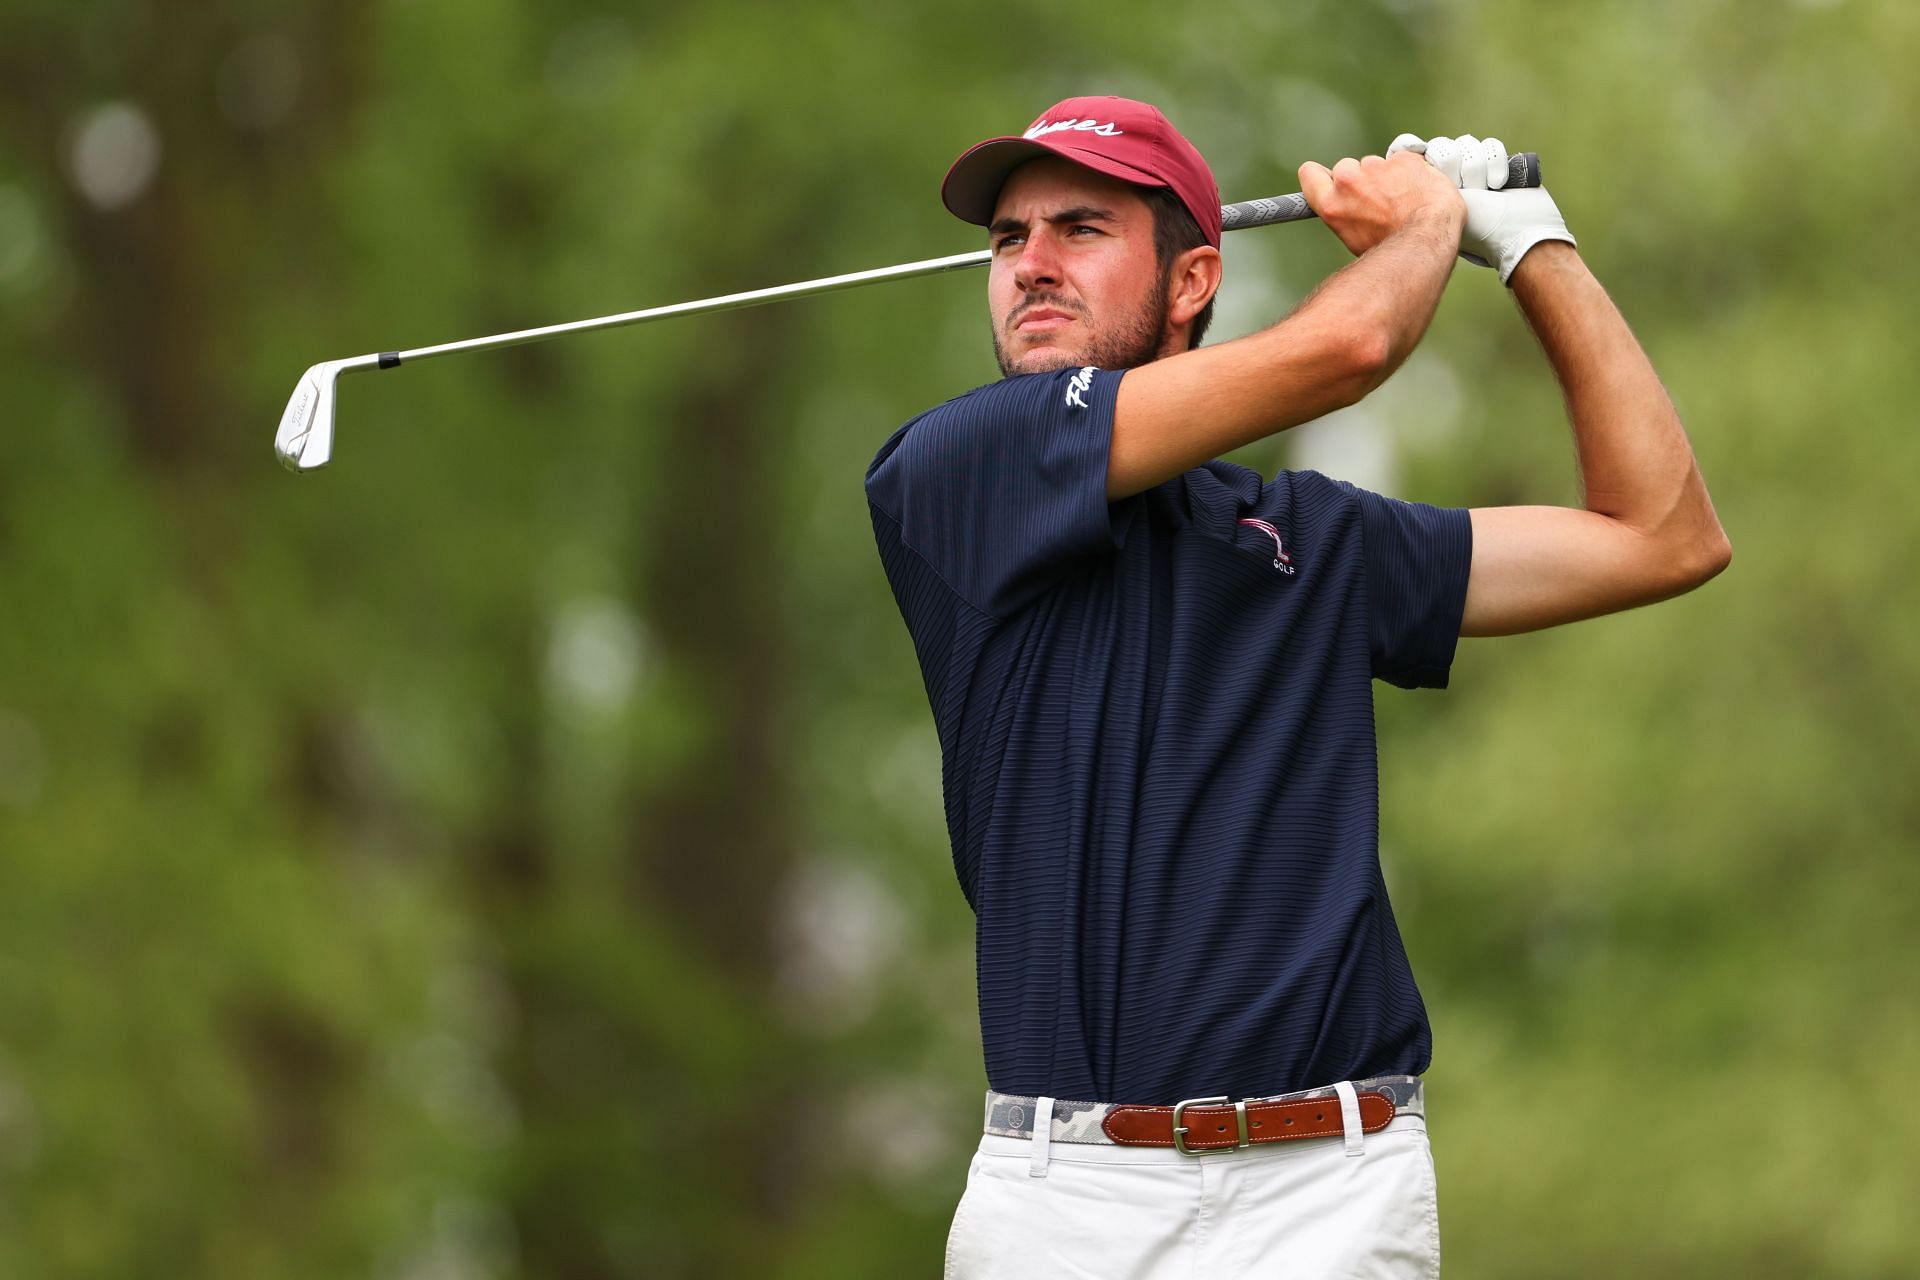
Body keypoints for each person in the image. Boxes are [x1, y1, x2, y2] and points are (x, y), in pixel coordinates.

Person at [864, 96, 1729, 1278]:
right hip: (1065, 1198)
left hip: (1328, 1188)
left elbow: (1662, 534)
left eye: (1079, 229)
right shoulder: (960, 466)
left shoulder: (1309, 538)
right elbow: (1350, 350)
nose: (1032, 267)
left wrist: (1534, 247)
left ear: (1191, 280)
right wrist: (1430, 225)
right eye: (1009, 240)